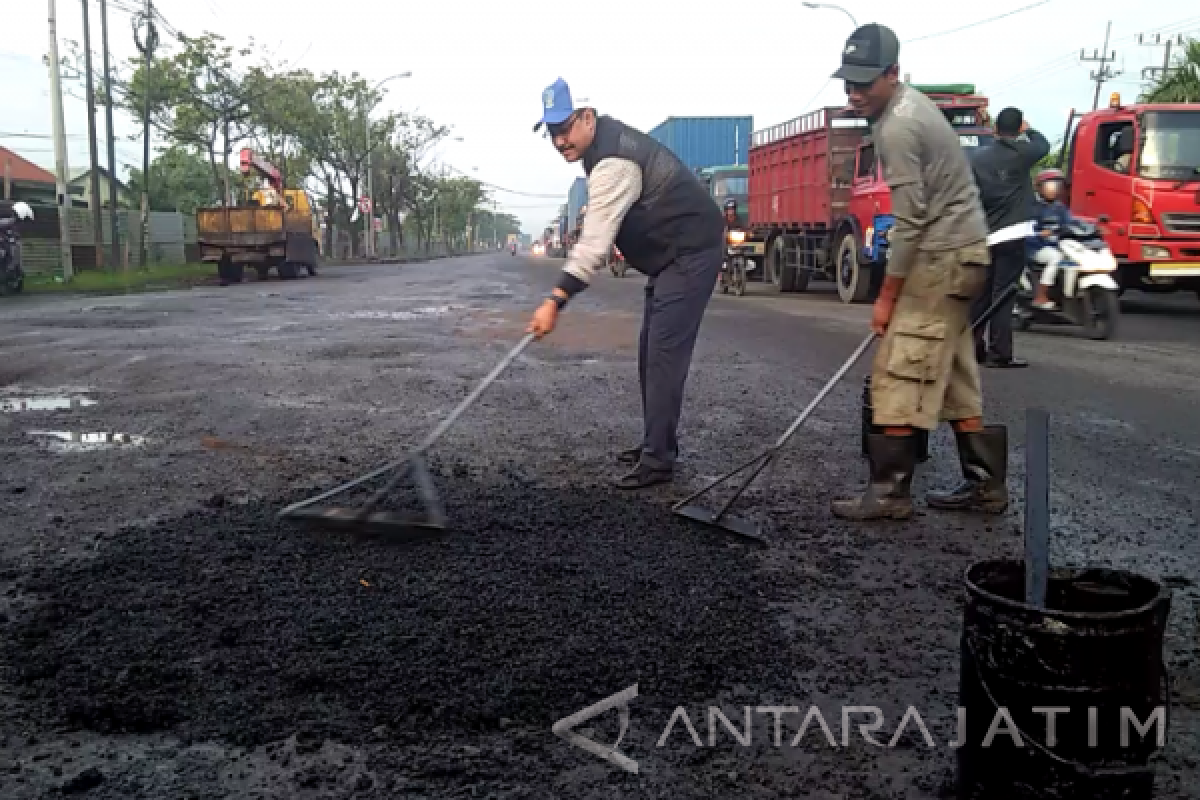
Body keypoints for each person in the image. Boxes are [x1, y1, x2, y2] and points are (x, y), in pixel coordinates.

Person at [827, 23, 1010, 521]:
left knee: (899, 369)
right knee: (950, 371)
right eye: (849, 83)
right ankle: (986, 486)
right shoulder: (909, 108)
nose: (855, 93)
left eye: (865, 82)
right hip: (964, 254)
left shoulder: (897, 126)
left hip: (940, 258)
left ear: (893, 74)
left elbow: (909, 222)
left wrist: (887, 295)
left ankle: (889, 494)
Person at [526, 78, 726, 489]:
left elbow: (594, 245)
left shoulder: (614, 162)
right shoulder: (600, 151)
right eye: (552, 134)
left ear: (587, 118)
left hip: (690, 251)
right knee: (650, 352)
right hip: (670, 258)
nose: (560, 141)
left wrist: (556, 299)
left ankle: (658, 461)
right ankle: (657, 444)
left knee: (663, 354)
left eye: (565, 129)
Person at [968, 107, 1050, 368]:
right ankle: (999, 353)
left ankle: (970, 348)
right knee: (1002, 296)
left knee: (980, 295)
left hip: (986, 234)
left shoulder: (978, 158)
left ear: (995, 130)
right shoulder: (1022, 153)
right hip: (1013, 234)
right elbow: (1043, 144)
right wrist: (1029, 130)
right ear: (1018, 129)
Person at [1029, 169, 1074, 310]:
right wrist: (1039, 233)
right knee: (1056, 258)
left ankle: (1068, 296)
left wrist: (1090, 227)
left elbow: (1071, 222)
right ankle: (1040, 296)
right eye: (1050, 185)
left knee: (1073, 262)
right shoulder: (1033, 206)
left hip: (1055, 246)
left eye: (1057, 186)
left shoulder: (1059, 207)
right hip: (1036, 248)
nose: (1054, 189)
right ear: (1040, 187)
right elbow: (1026, 229)